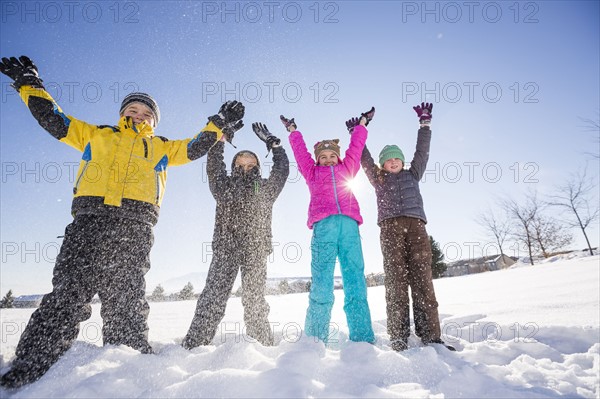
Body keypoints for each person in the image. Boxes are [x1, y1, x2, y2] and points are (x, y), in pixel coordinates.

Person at [0, 55, 245, 388]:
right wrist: (29, 84)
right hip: (89, 221)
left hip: (134, 226)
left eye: (147, 113)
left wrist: (219, 124)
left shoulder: (161, 147)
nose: (139, 115)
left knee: (126, 297)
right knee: (68, 293)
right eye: (133, 109)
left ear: (154, 121)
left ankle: (128, 368)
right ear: (122, 113)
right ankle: (30, 364)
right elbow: (53, 119)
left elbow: (194, 146)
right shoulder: (96, 135)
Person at [356, 103, 455, 352]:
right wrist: (358, 130)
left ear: (402, 161)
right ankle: (398, 337)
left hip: (416, 228)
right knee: (396, 282)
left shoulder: (413, 174)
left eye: (396, 158)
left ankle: (431, 335)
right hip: (390, 230)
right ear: (382, 165)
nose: (392, 162)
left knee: (423, 280)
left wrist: (425, 124)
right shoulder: (378, 179)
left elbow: (422, 152)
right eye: (387, 160)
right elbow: (363, 158)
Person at [182, 122, 289, 348]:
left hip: (256, 249)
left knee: (254, 300)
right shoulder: (223, 186)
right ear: (234, 166)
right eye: (241, 163)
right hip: (226, 247)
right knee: (213, 297)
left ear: (258, 166)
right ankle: (194, 345)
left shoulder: (265, 188)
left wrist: (274, 144)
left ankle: (262, 345)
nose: (246, 166)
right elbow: (214, 166)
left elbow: (281, 171)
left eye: (251, 163)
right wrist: (220, 140)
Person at [282, 108, 375, 345]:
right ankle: (314, 339)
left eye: (332, 155)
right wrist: (293, 131)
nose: (328, 159)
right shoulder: (311, 173)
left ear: (338, 156)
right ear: (317, 160)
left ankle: (362, 339)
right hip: (324, 228)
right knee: (322, 283)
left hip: (350, 228)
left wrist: (362, 125)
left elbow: (355, 148)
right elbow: (301, 154)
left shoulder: (348, 168)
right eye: (323, 157)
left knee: (355, 280)